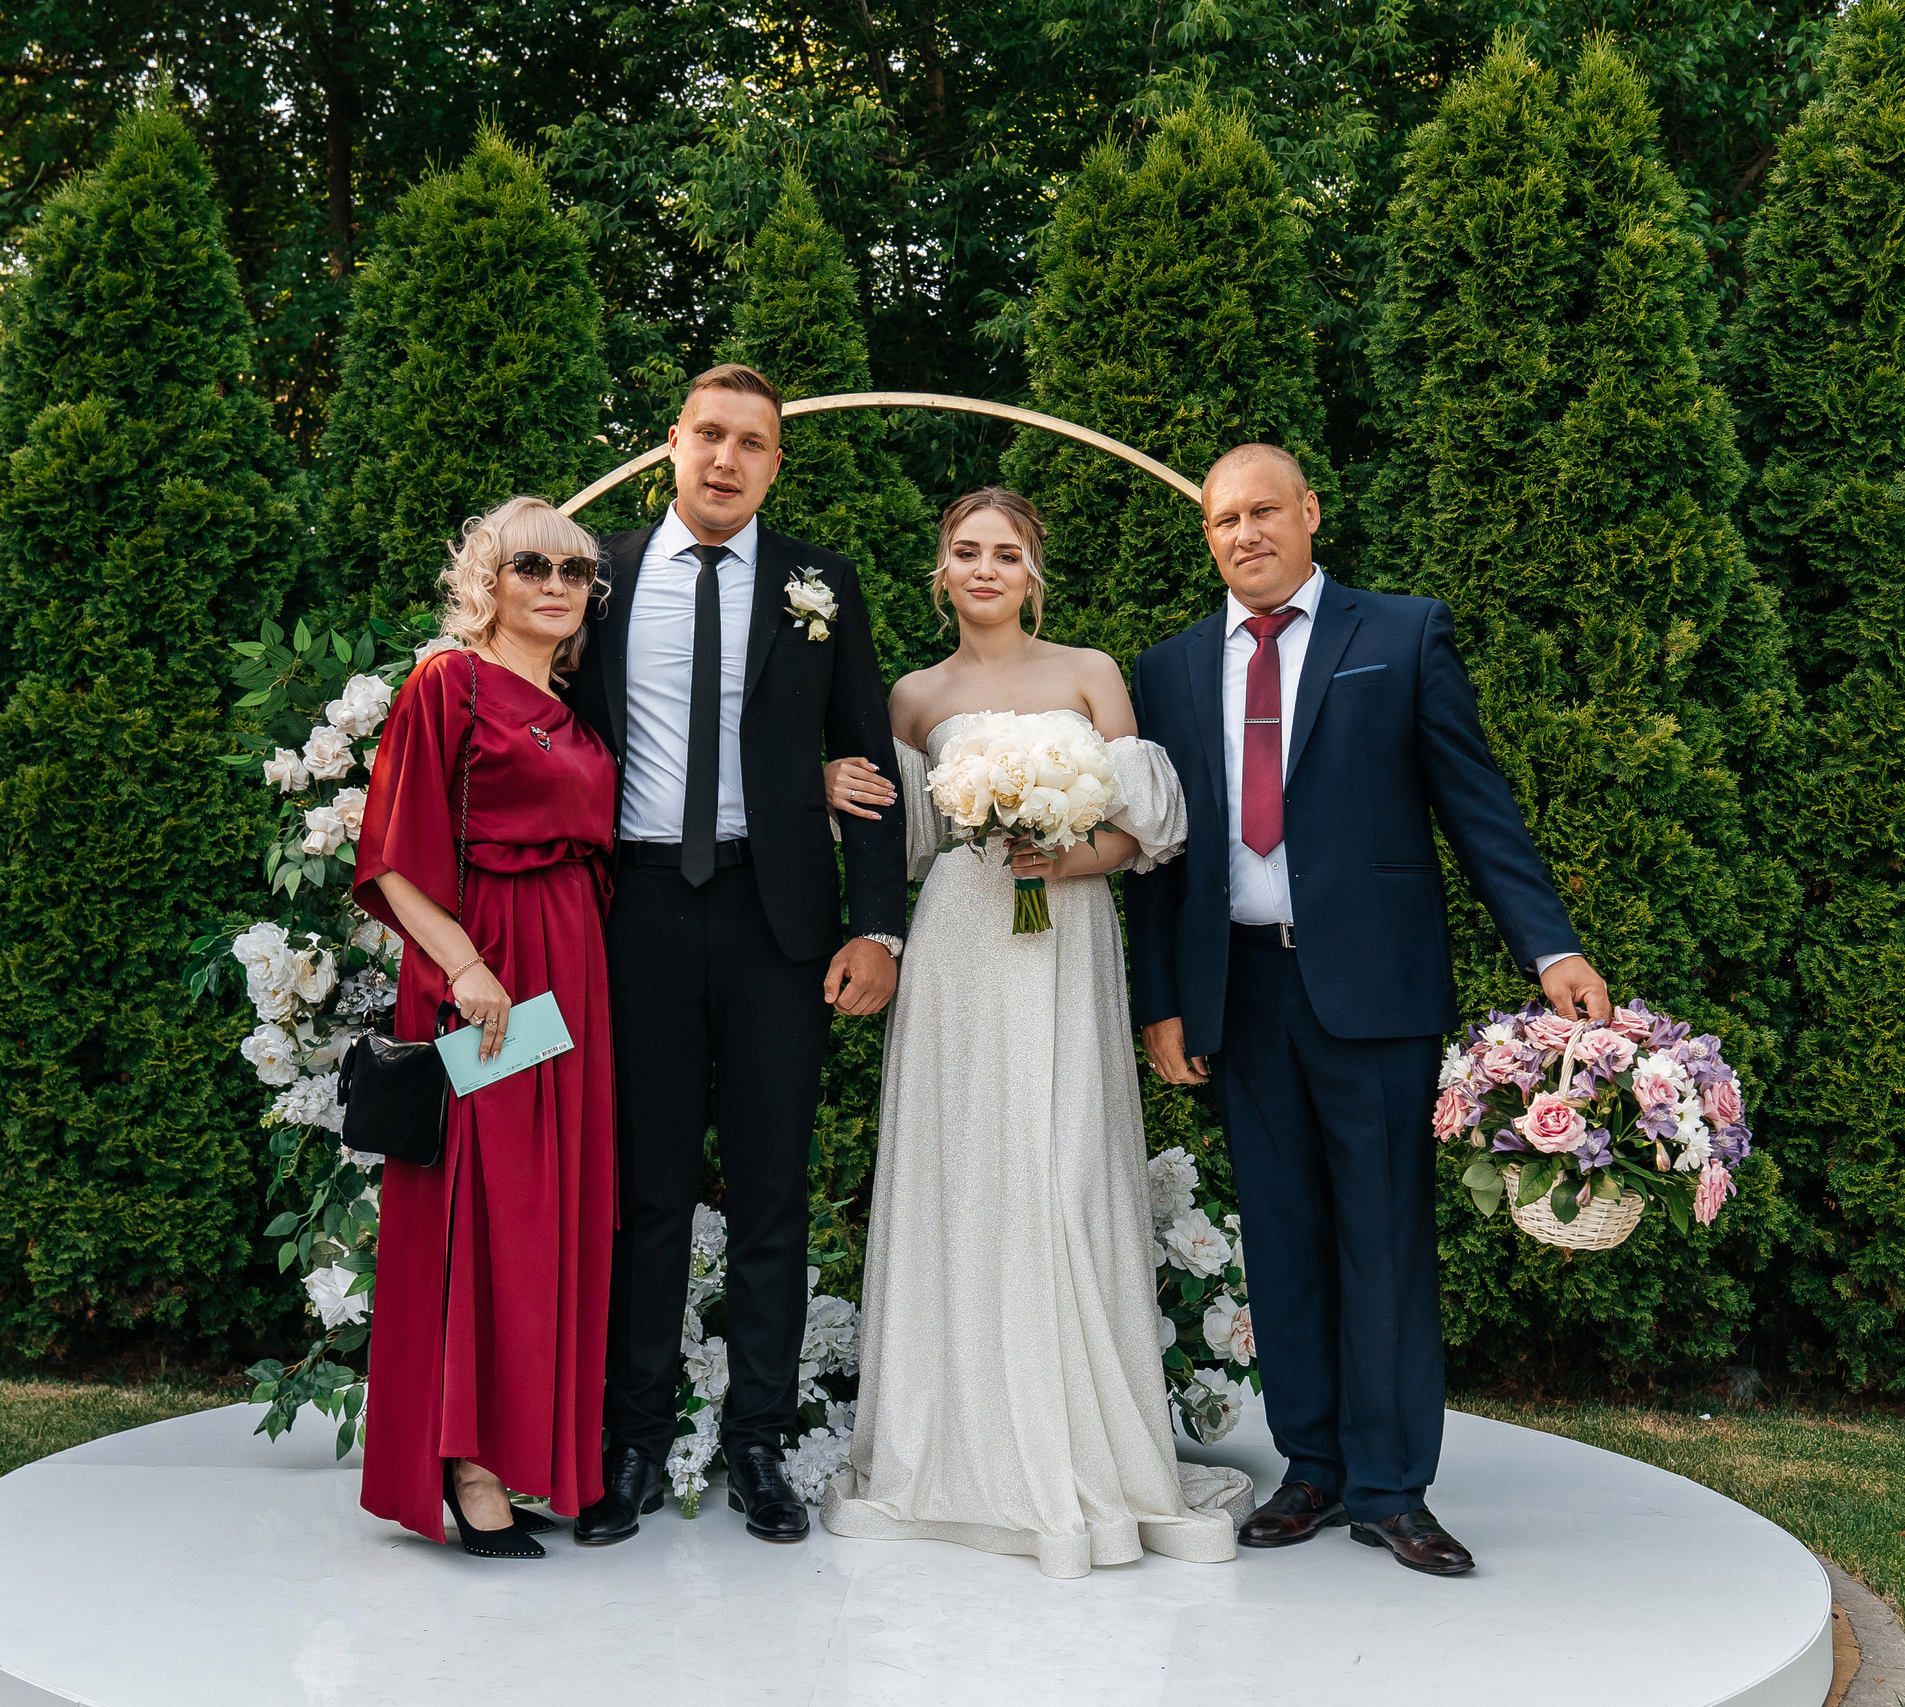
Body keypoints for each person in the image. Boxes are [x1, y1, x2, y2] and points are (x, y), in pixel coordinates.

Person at [1125, 444, 1612, 1576]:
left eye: (1261, 511)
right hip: (1238, 993)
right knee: (1283, 1238)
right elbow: (1159, 862)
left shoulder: (1398, 635)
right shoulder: (1169, 668)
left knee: (1383, 1239)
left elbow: (1474, 803)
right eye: (1220, 521)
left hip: (1372, 991)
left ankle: (1395, 1487)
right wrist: (1162, 1003)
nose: (1242, 534)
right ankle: (1312, 1470)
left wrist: (1551, 948)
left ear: (1309, 511)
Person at [815, 488, 1246, 1579]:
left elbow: (1143, 827)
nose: (986, 568)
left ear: (1033, 572)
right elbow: (895, 838)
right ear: (942, 571)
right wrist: (827, 785)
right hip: (960, 940)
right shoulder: (913, 696)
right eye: (967, 551)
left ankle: (1078, 1436)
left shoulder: (1090, 672)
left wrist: (1070, 853)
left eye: (1007, 553)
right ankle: (953, 1445)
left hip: (1065, 933)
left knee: (1060, 1164)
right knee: (968, 1170)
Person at [564, 363, 907, 1547]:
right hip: (635, 915)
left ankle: (758, 1441)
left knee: (772, 1192)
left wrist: (876, 926)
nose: (726, 459)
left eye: (751, 443)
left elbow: (866, 765)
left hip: (778, 922)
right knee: (645, 1194)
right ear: (671, 443)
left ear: (774, 463)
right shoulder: (592, 578)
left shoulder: (822, 584)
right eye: (709, 435)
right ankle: (632, 1442)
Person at [352, 496, 621, 1561]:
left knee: (549, 1210)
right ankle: (466, 1464)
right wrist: (466, 966)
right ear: (488, 580)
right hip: (489, 977)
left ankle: (528, 1455)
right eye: (532, 565)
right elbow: (386, 855)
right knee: (482, 1204)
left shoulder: (578, 712)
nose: (556, 583)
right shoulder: (448, 685)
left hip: (572, 976)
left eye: (575, 569)